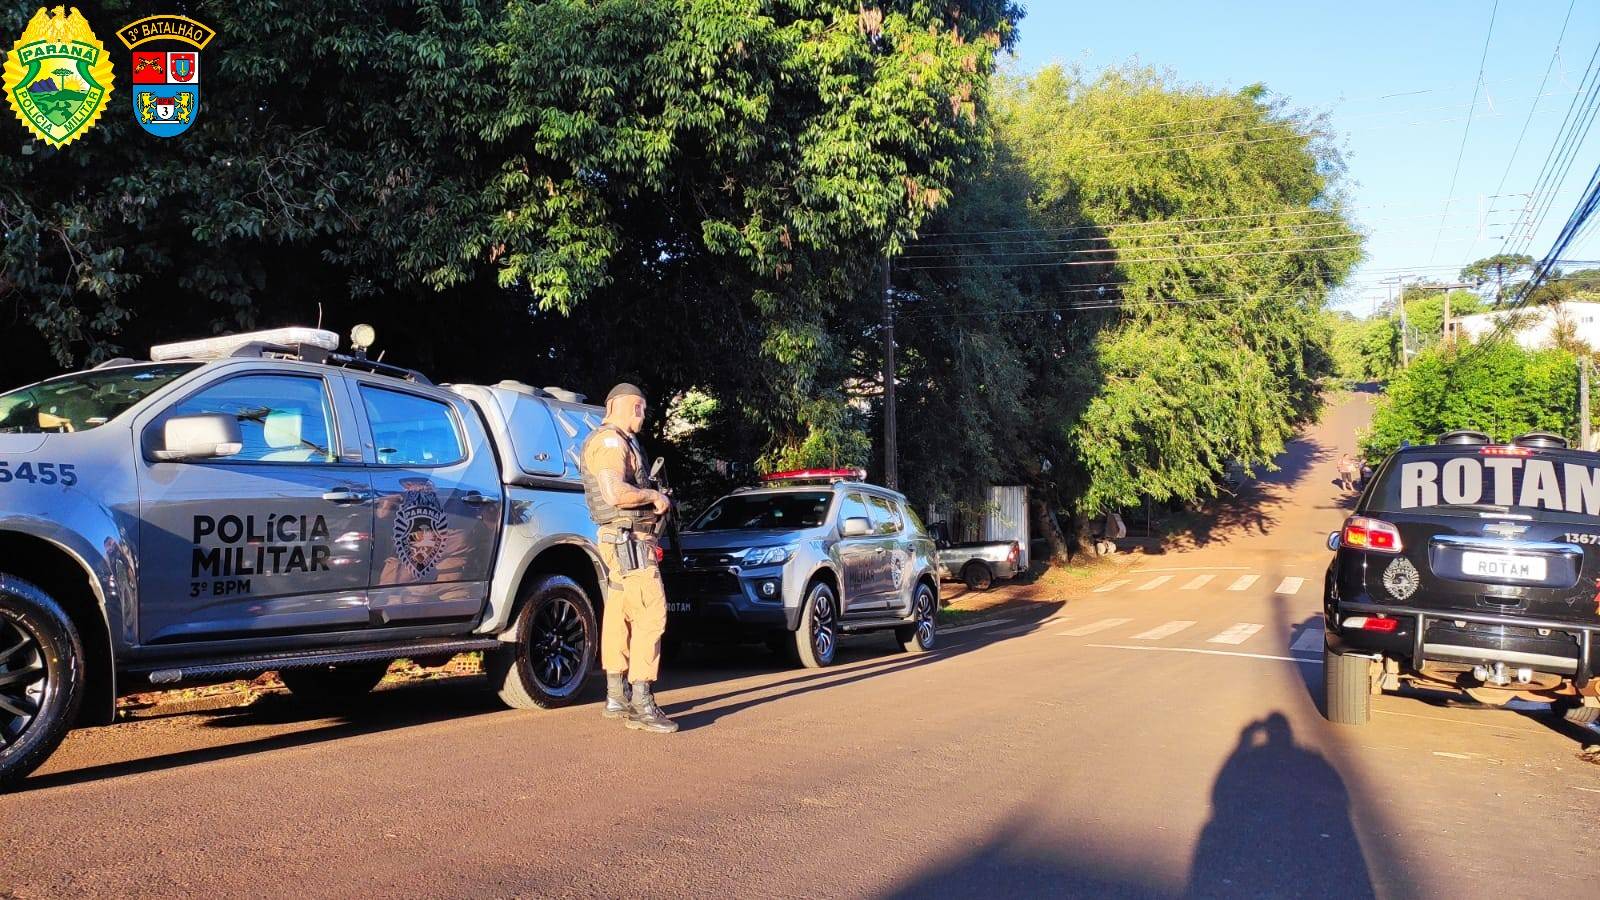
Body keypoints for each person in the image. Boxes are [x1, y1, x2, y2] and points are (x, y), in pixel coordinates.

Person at [579, 383, 677, 734]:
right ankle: (642, 704)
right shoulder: (610, 442)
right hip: (629, 541)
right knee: (651, 612)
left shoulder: (614, 440)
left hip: (622, 540)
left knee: (619, 614)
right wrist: (653, 495)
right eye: (641, 408)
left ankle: (616, 696)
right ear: (629, 406)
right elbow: (614, 492)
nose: (643, 415)